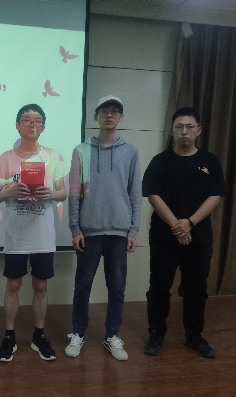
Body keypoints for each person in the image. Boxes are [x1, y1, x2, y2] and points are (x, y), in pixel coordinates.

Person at [142, 107, 226, 358]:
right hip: (164, 236)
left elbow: (216, 195)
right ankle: (156, 333)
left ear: (199, 130)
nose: (184, 132)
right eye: (179, 127)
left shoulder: (210, 162)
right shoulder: (160, 161)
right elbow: (152, 195)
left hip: (199, 237)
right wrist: (176, 226)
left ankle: (194, 336)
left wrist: (189, 222)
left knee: (196, 288)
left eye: (190, 127)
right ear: (172, 131)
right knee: (159, 287)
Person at [65, 95, 142, 361]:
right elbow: (74, 193)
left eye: (115, 111)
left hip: (119, 232)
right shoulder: (81, 150)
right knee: (82, 286)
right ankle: (78, 333)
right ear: (96, 116)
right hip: (89, 231)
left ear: (121, 117)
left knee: (117, 287)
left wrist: (133, 230)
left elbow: (135, 193)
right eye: (104, 110)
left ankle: (112, 336)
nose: (109, 115)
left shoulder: (130, 152)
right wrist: (75, 228)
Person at [0, 104, 67, 362]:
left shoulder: (53, 156)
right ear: (17, 125)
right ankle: (9, 336)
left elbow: (62, 193)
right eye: (26, 120)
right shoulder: (5, 158)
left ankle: (39, 336)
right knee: (13, 284)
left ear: (43, 127)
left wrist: (51, 194)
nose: (32, 124)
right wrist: (8, 192)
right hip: (17, 235)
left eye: (37, 121)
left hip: (43, 235)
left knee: (40, 285)